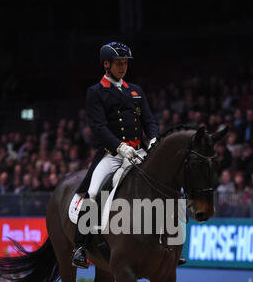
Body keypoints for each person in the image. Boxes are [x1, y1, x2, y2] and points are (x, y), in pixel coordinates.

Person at [72, 42, 185, 268]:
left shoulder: (135, 90)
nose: (123, 67)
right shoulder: (95, 92)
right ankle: (81, 248)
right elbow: (99, 127)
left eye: (125, 63)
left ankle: (173, 244)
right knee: (93, 192)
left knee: (172, 190)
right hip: (112, 154)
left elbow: (149, 120)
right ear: (107, 64)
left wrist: (154, 137)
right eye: (118, 64)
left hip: (139, 152)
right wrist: (119, 147)